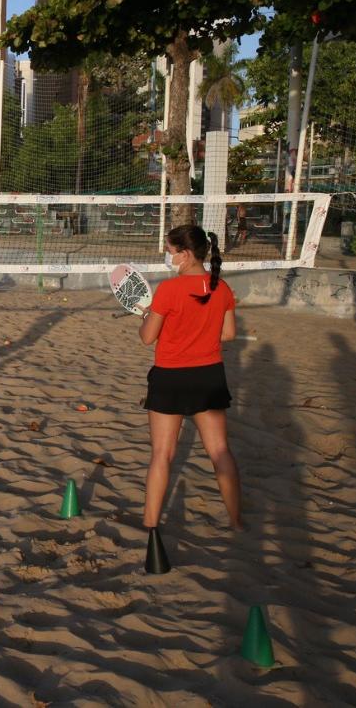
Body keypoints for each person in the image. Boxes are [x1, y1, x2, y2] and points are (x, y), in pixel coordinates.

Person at [138, 224, 243, 537]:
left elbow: (147, 338)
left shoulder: (169, 290)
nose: (168, 257)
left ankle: (151, 525)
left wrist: (146, 317)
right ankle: (237, 522)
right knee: (220, 452)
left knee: (161, 455)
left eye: (170, 252)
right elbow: (229, 334)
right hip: (209, 375)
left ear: (184, 254)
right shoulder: (220, 288)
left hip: (170, 376)